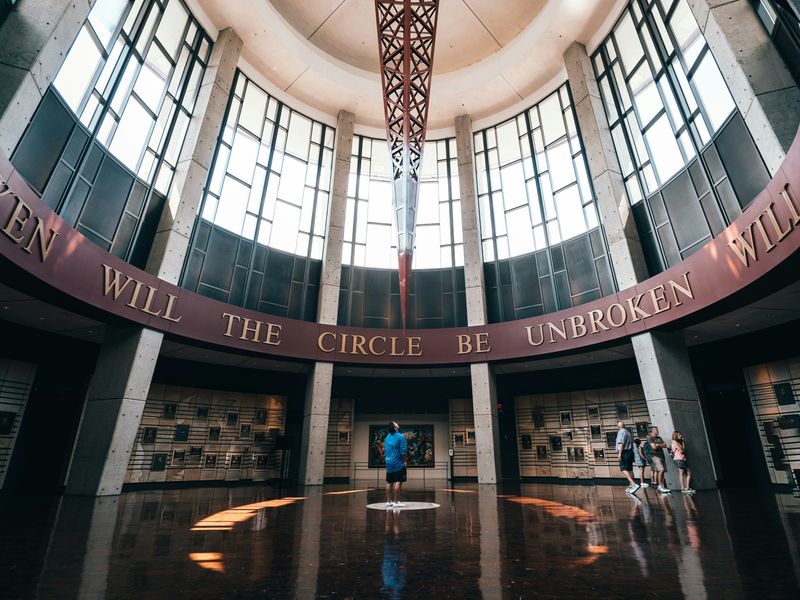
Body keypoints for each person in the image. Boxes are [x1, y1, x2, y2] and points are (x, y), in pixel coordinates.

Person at [384, 421, 408, 508]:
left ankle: (388, 501)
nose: (397, 423)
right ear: (395, 427)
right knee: (398, 481)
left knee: (389, 482)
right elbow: (404, 451)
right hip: (398, 463)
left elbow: (385, 451)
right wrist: (405, 461)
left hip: (388, 462)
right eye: (395, 423)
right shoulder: (401, 437)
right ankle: (396, 502)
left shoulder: (387, 437)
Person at [616, 421, 640, 494]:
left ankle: (633, 484)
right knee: (630, 469)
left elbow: (622, 444)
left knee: (623, 468)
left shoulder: (621, 432)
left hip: (624, 452)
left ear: (619, 427)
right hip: (630, 452)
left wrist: (619, 454)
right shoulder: (628, 432)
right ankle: (631, 486)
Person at [646, 426, 671, 493]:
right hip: (654, 456)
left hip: (661, 456)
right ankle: (659, 486)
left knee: (663, 472)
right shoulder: (649, 438)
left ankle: (662, 486)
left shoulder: (659, 438)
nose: (658, 431)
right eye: (656, 430)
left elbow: (665, 445)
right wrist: (659, 445)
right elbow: (654, 447)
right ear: (652, 431)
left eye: (657, 430)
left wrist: (658, 445)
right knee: (661, 469)